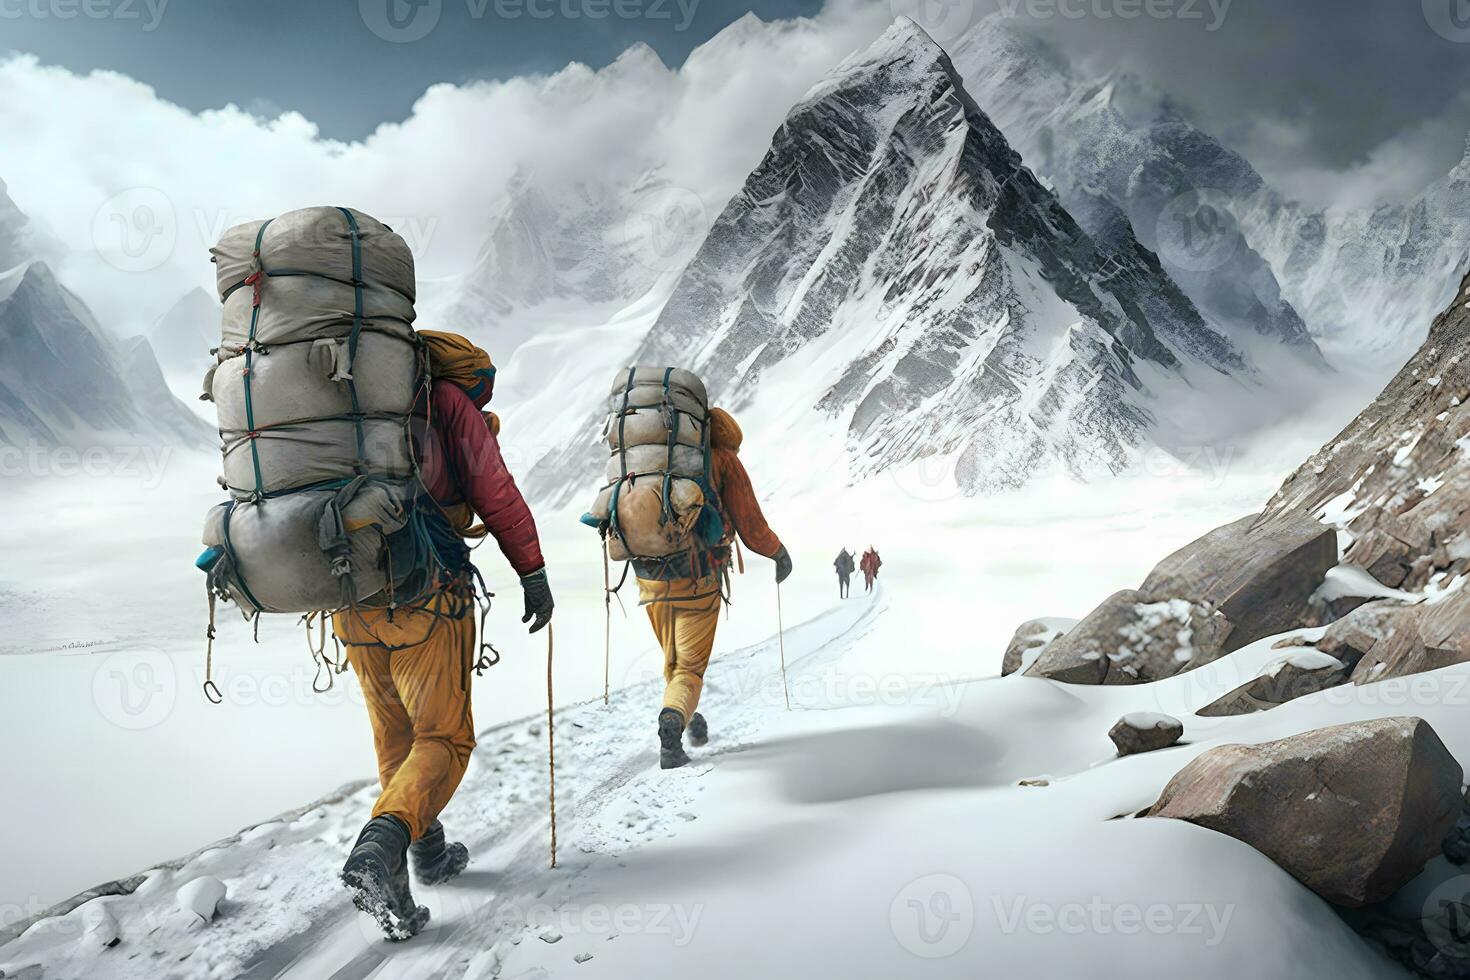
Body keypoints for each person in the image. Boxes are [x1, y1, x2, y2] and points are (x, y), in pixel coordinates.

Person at [334, 375, 554, 941]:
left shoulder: (332, 397)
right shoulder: (443, 399)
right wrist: (532, 570)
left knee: (394, 737)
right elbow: (495, 491)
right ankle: (382, 845)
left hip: (349, 599)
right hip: (426, 594)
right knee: (442, 739)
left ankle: (423, 857)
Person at [634, 408, 792, 770]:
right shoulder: (722, 460)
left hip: (650, 576)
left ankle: (688, 715)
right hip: (698, 577)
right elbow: (749, 522)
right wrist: (778, 552)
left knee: (673, 657)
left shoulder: (652, 458)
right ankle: (672, 728)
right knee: (689, 666)